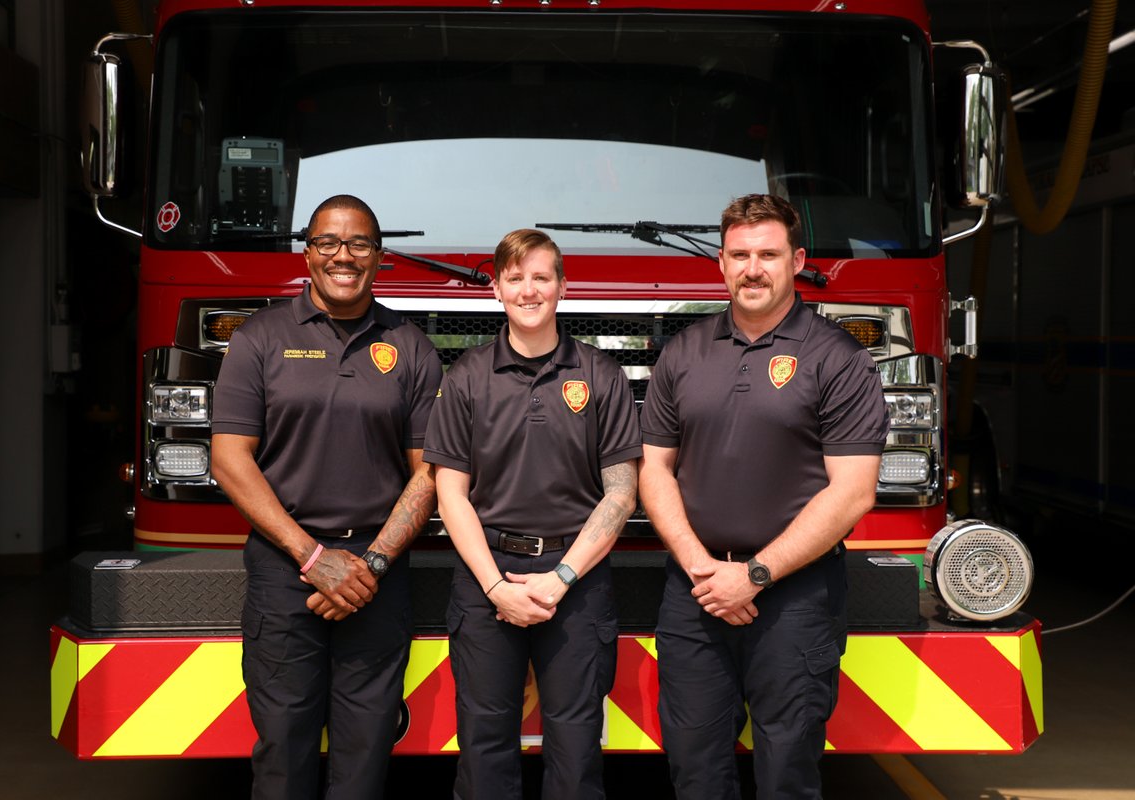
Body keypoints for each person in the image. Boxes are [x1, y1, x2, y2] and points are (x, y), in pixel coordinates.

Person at [639, 194, 889, 799]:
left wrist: (753, 574)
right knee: (694, 770)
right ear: (721, 265)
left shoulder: (838, 359)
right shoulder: (684, 352)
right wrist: (704, 569)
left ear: (797, 260)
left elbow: (853, 493)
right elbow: (652, 470)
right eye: (740, 255)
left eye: (768, 255)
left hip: (795, 598)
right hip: (695, 593)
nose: (753, 268)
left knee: (786, 773)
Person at [210, 194, 442, 800]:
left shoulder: (410, 346)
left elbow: (430, 472)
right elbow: (229, 459)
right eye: (329, 243)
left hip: (377, 574)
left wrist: (371, 565)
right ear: (307, 253)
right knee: (283, 752)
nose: (344, 256)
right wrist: (313, 559)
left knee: (365, 758)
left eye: (360, 244)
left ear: (379, 257)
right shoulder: (259, 339)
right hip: (285, 572)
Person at [423, 229, 641, 800]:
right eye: (515, 278)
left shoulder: (601, 376)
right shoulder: (465, 378)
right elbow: (451, 495)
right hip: (485, 574)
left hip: (577, 576)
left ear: (563, 287)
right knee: (484, 745)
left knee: (575, 748)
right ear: (495, 289)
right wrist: (496, 587)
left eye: (541, 277)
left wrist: (561, 578)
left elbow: (621, 494)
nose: (528, 290)